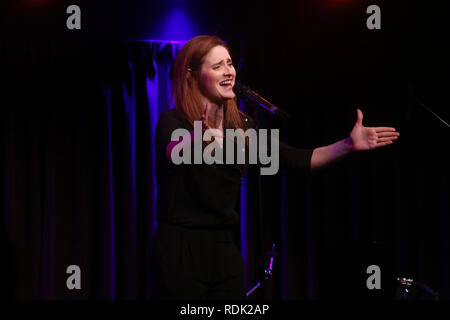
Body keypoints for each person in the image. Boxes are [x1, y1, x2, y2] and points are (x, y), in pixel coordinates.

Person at [150, 35, 400, 300]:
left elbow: (298, 160)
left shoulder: (243, 130)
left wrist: (348, 145)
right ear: (192, 75)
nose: (229, 72)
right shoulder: (174, 121)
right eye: (217, 67)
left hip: (224, 248)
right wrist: (199, 138)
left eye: (230, 63)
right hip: (180, 248)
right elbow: (174, 151)